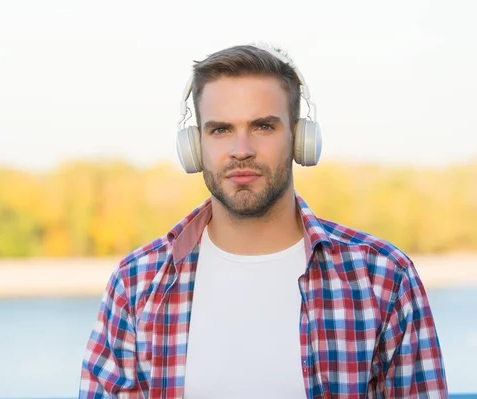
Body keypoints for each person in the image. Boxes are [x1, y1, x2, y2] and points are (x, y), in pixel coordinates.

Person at [79, 43, 448, 398]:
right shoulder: (137, 284)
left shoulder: (383, 277)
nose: (242, 150)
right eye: (220, 129)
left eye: (263, 127)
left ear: (299, 139)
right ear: (195, 145)